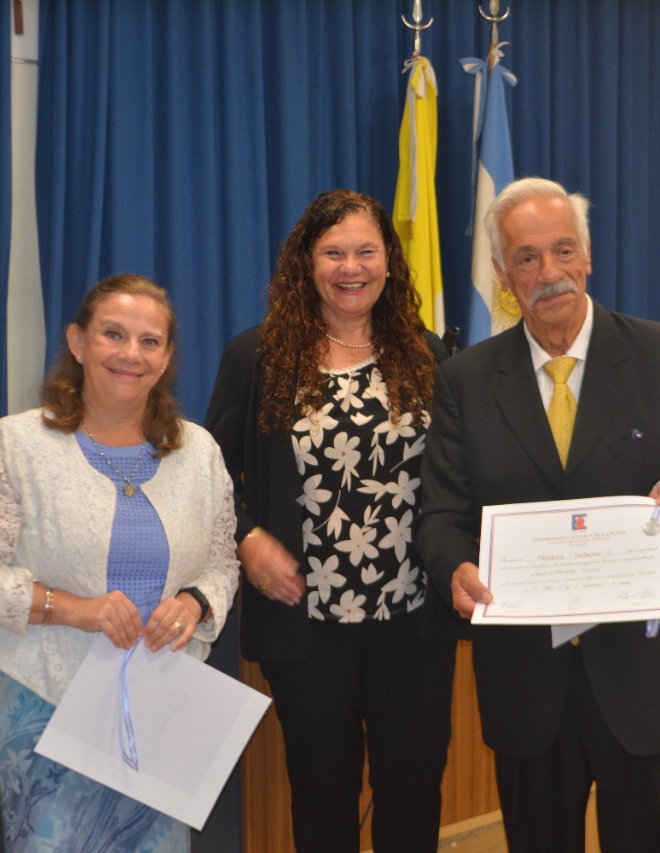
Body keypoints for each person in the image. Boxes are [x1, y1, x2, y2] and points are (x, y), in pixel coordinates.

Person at [418, 177, 660, 853]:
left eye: (563, 250)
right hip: (527, 682)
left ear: (588, 255)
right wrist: (455, 568)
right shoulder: (464, 381)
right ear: (503, 275)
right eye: (526, 258)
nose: (549, 272)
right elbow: (441, 515)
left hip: (642, 674)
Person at [0, 274, 240, 852]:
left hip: (161, 703)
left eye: (150, 341)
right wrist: (75, 609)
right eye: (113, 334)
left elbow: (222, 565)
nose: (131, 353)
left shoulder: (199, 451)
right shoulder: (18, 443)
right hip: (46, 693)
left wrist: (195, 603)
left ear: (167, 358)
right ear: (78, 343)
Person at [204, 189, 458, 853]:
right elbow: (209, 476)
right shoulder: (257, 357)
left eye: (366, 251)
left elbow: (457, 476)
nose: (352, 267)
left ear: (389, 261)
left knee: (413, 788)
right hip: (306, 625)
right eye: (334, 252)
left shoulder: (425, 353)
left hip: (413, 619)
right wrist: (246, 537)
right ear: (306, 262)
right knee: (322, 790)